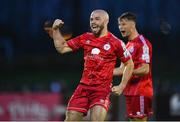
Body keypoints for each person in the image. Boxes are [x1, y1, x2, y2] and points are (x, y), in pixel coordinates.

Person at [46, 9, 134, 121]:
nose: (93, 22)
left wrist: (122, 86)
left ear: (106, 21)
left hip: (102, 90)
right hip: (83, 88)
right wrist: (55, 30)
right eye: (91, 19)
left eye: (97, 19)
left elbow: (129, 64)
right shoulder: (86, 37)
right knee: (70, 119)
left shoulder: (116, 43)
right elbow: (62, 48)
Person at [113, 12, 153, 121]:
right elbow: (122, 69)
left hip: (141, 90)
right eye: (119, 25)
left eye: (124, 24)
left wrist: (129, 70)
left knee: (139, 120)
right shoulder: (127, 45)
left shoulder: (142, 43)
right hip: (129, 91)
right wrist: (104, 71)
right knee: (133, 120)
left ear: (133, 25)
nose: (120, 27)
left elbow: (145, 69)